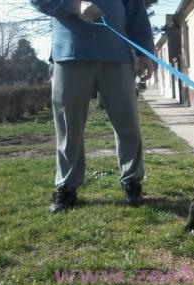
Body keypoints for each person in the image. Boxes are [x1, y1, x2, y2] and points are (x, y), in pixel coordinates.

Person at [30, 0, 155, 213]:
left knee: (128, 122)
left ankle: (132, 181)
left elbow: (136, 11)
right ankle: (67, 185)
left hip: (117, 54)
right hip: (70, 52)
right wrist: (73, 5)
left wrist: (145, 52)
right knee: (69, 126)